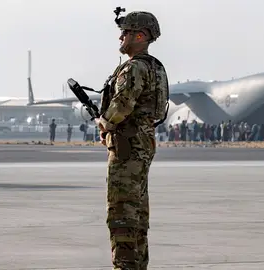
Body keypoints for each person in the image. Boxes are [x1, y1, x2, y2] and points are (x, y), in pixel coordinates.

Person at [95, 9, 169, 270]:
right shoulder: (155, 67)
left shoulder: (134, 68)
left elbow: (122, 105)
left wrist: (104, 124)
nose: (121, 38)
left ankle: (125, 266)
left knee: (122, 213)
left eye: (125, 32)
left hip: (127, 147)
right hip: (142, 143)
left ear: (141, 35)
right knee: (137, 213)